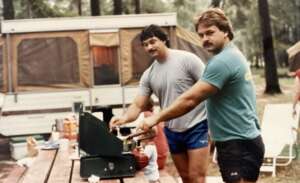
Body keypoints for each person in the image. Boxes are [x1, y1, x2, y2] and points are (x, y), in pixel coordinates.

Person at [138, 8, 265, 183]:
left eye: (210, 33)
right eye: (201, 35)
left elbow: (190, 99)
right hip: (240, 140)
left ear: (226, 31)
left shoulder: (222, 61)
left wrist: (156, 118)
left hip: (237, 143)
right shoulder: (232, 55)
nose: (205, 39)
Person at [110, 24, 209, 183]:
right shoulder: (149, 75)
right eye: (145, 44)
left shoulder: (188, 60)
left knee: (197, 178)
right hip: (172, 131)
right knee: (185, 178)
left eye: (153, 41)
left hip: (198, 126)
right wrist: (123, 118)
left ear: (164, 40)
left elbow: (208, 88)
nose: (149, 47)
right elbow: (138, 105)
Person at [143, 100, 169, 170]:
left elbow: (154, 132)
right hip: (162, 158)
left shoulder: (147, 114)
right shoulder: (156, 116)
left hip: (155, 160)